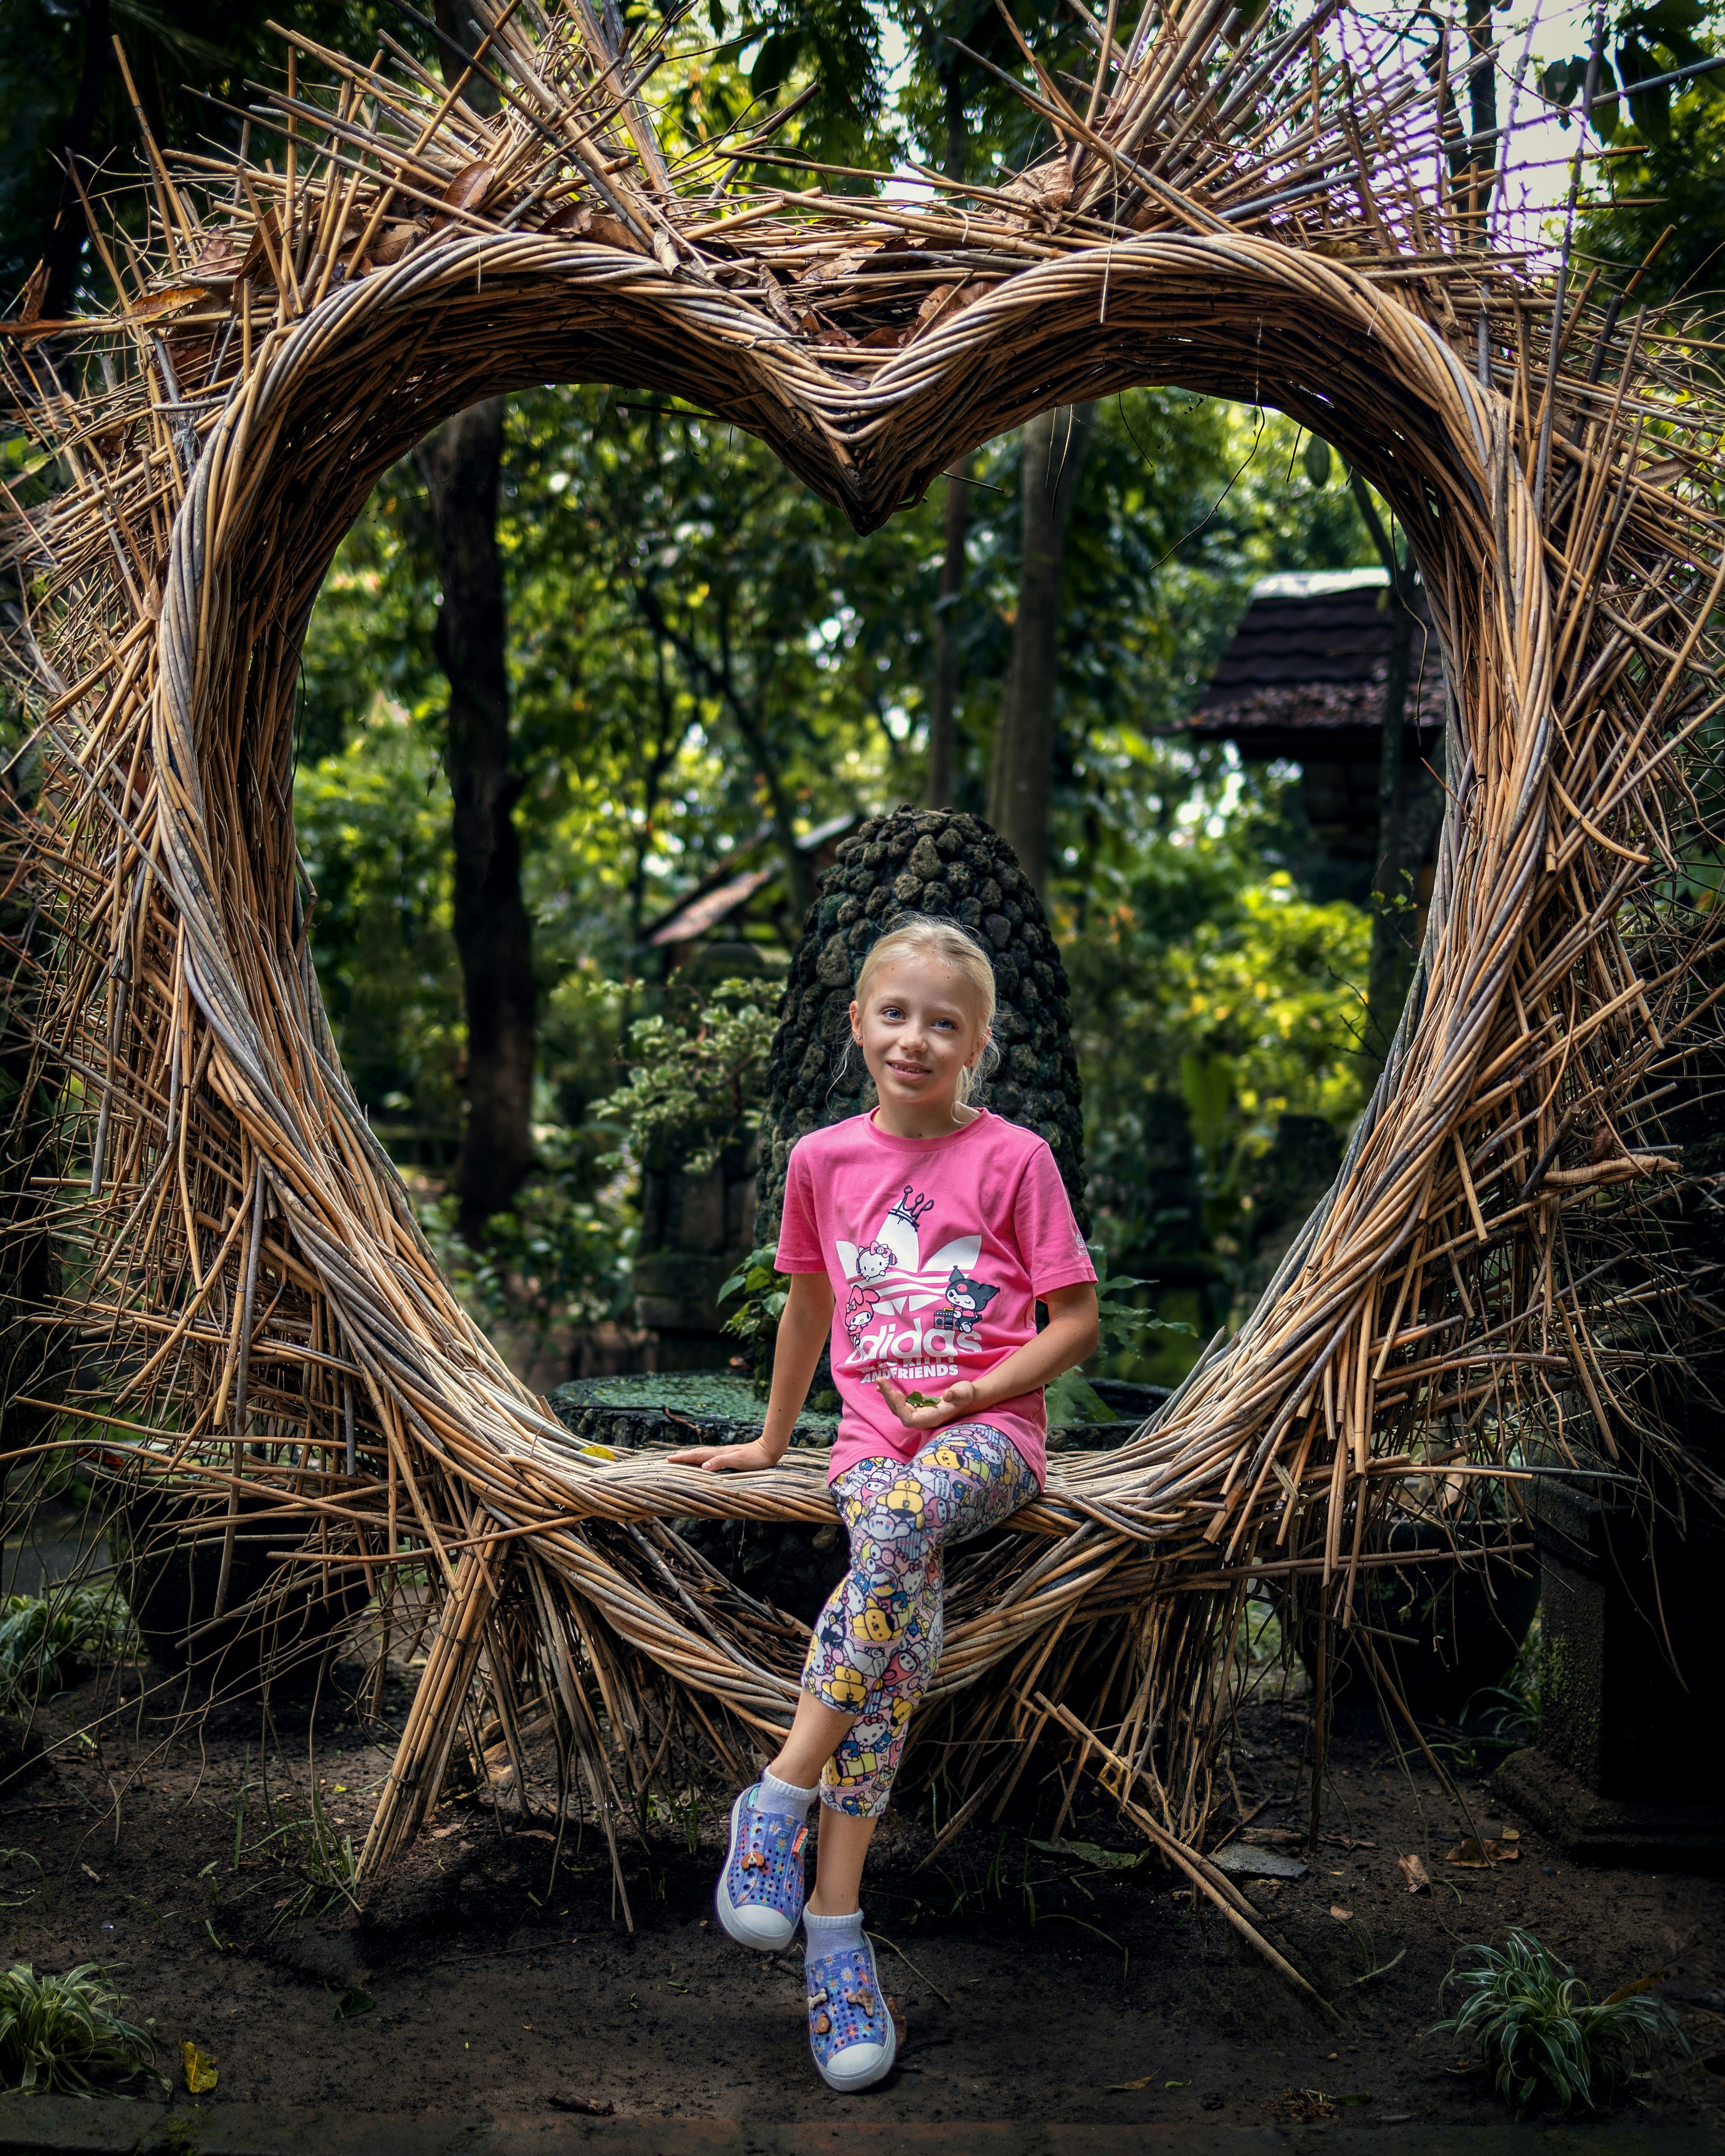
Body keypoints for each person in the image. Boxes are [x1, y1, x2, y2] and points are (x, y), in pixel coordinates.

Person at [669, 915, 1099, 2092]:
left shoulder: (1016, 1159)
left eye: (944, 1024)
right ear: (856, 1022)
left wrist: (971, 1390)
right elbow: (807, 1309)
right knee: (900, 1645)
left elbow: (1075, 1325)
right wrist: (769, 1441)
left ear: (979, 1045)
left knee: (907, 1523)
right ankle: (836, 1936)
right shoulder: (821, 1162)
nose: (916, 1039)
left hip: (992, 1443)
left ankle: (777, 1796)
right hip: (867, 1449)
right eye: (895, 1014)